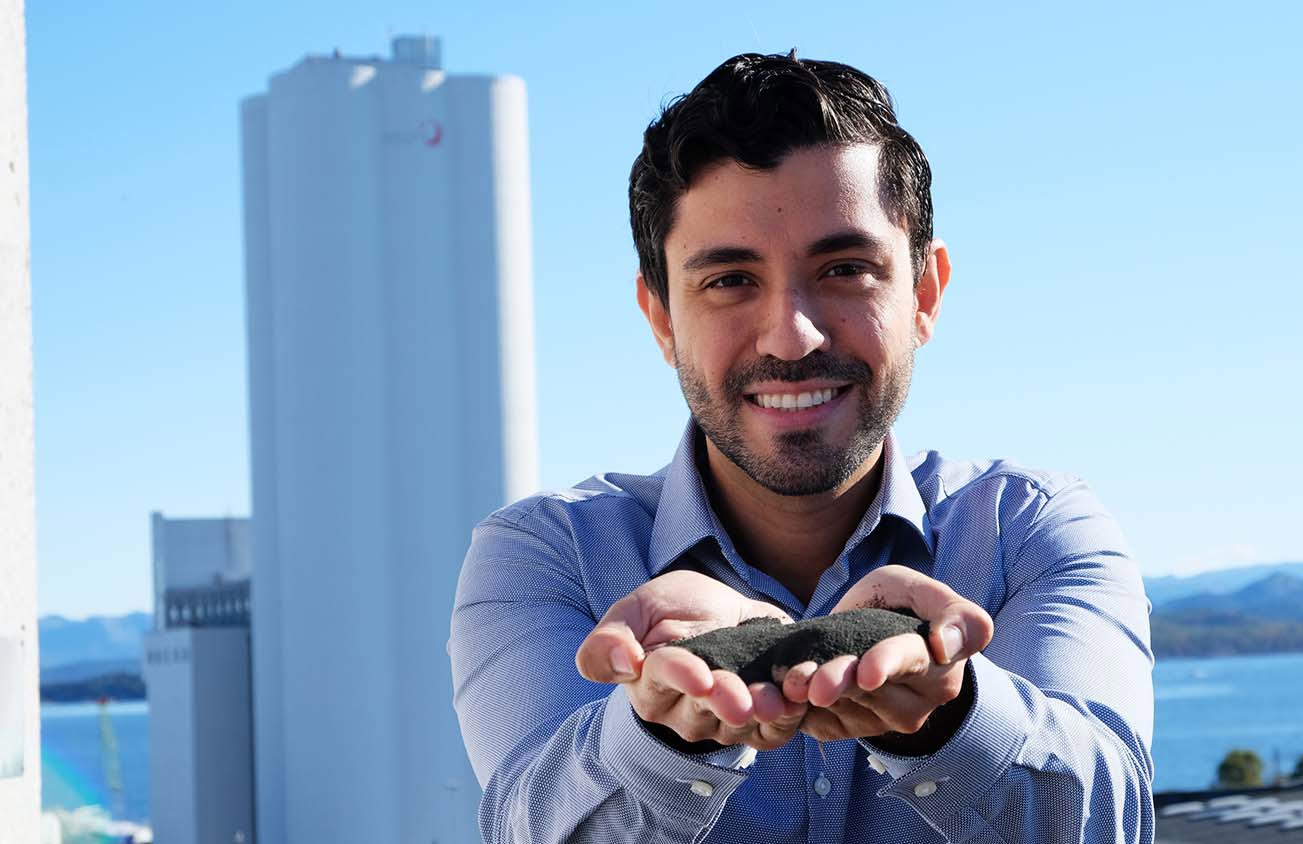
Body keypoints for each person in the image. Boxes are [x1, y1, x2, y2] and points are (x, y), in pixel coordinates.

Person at [449, 51, 1154, 844]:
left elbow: (1111, 818)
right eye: (729, 280)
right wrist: (661, 735)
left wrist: (950, 719)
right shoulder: (548, 556)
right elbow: (529, 827)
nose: (793, 335)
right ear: (660, 317)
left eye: (845, 269)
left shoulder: (1030, 530)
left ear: (924, 293)